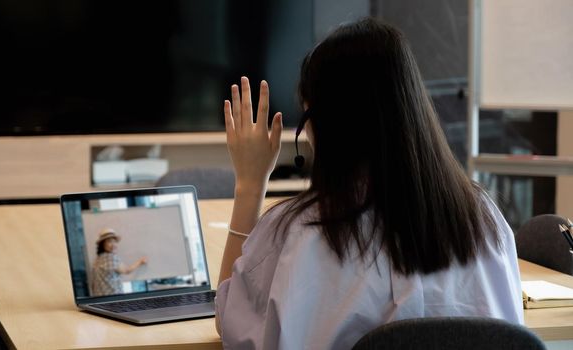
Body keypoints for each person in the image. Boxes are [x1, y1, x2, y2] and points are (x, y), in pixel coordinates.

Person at [215, 18, 523, 349]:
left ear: (325, 125)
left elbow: (229, 318)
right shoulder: (484, 220)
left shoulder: (296, 231)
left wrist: (249, 183)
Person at [90, 228, 148, 296]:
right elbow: (127, 270)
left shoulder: (97, 259)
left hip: (99, 297)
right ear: (102, 244)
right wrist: (140, 261)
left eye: (114, 241)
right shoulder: (110, 258)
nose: (113, 244)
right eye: (109, 241)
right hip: (113, 297)